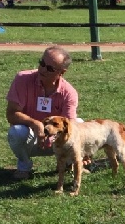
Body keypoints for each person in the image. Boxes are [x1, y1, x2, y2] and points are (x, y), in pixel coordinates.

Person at [6, 46, 79, 180]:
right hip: (31, 138)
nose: (43, 69)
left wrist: (51, 137)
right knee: (16, 132)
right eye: (42, 63)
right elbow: (11, 114)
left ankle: (67, 162)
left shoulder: (69, 93)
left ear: (62, 72)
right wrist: (35, 124)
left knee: (78, 124)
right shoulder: (22, 79)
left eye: (50, 68)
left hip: (57, 141)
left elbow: (70, 126)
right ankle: (24, 165)